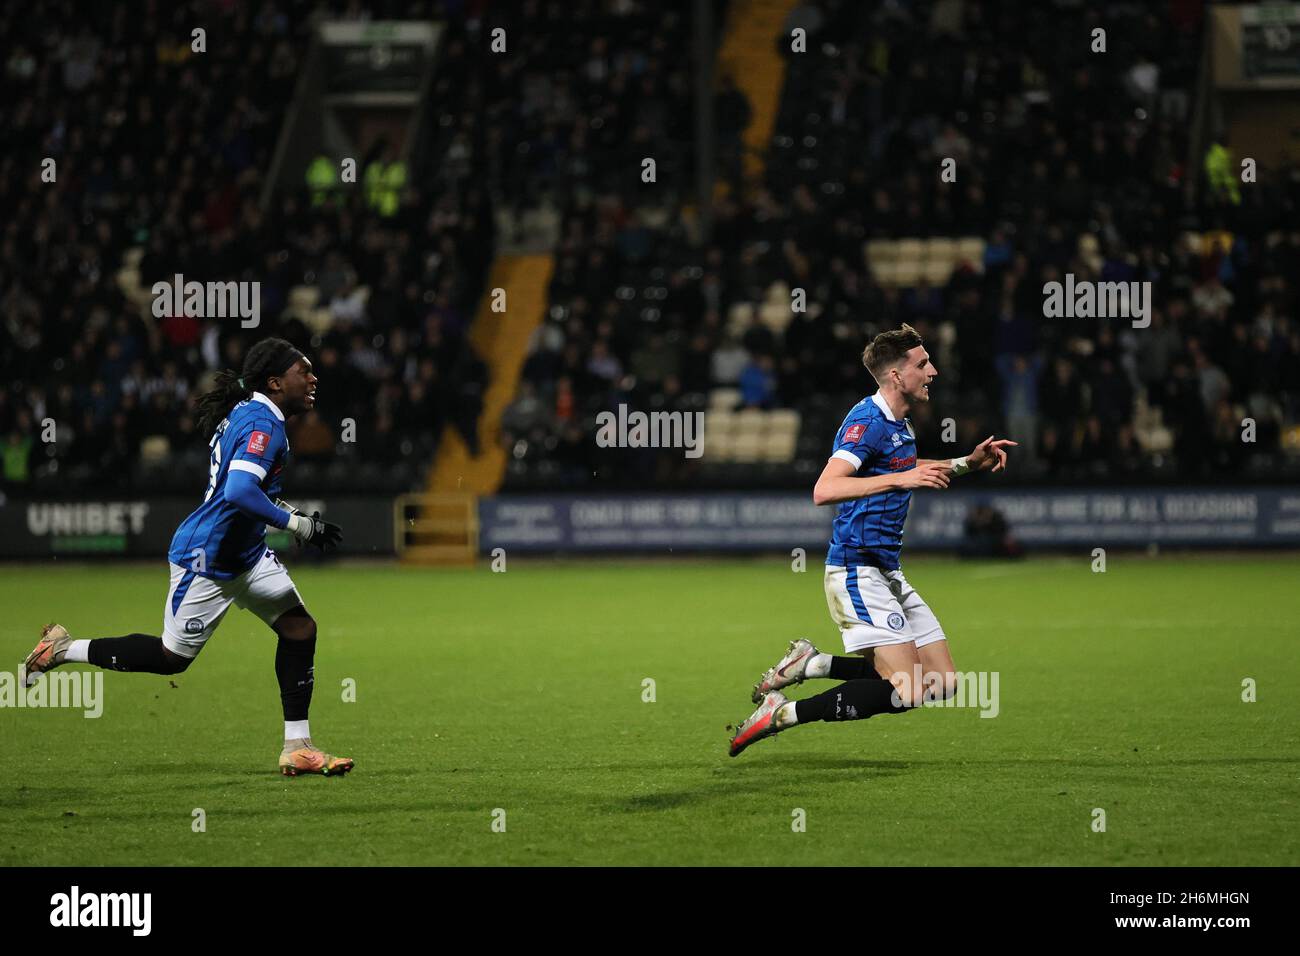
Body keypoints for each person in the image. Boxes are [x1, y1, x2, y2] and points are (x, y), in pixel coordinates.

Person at [22, 338, 352, 777]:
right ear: (275, 382)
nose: (312, 379)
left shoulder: (254, 412)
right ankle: (64, 649)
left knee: (298, 629)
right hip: (208, 560)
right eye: (303, 372)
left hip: (246, 555)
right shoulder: (264, 424)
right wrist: (299, 526)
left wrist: (296, 516)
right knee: (170, 658)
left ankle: (297, 746)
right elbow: (237, 492)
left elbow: (244, 489)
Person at [729, 324, 1016, 756]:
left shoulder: (899, 424)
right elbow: (824, 489)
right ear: (897, 376)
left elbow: (903, 466)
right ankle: (780, 714)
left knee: (942, 684)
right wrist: (903, 477)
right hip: (855, 570)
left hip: (886, 570)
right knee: (909, 689)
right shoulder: (866, 421)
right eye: (922, 364)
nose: (933, 371)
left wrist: (967, 462)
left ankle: (813, 664)